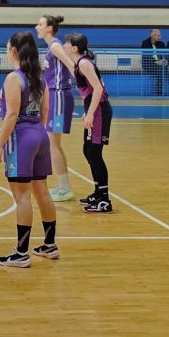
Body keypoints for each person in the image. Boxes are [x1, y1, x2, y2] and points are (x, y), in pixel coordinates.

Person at [0, 31, 58, 268]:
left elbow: (11, 114)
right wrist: (36, 131)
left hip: (21, 137)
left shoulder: (14, 78)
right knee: (43, 192)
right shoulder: (40, 78)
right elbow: (46, 110)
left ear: (13, 51)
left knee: (22, 196)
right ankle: (49, 245)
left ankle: (21, 253)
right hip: (39, 134)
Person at [63, 33, 114, 213]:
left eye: (67, 43)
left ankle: (104, 200)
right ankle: (98, 192)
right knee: (88, 150)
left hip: (100, 111)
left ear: (74, 48)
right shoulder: (79, 64)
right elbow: (89, 92)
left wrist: (91, 113)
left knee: (94, 153)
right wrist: (87, 111)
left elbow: (98, 89)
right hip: (94, 109)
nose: (64, 45)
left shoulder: (84, 63)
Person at [35, 14, 74, 202]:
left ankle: (65, 188)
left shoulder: (55, 46)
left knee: (53, 144)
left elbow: (72, 66)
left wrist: (85, 89)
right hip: (53, 96)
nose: (37, 27)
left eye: (40, 24)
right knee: (53, 144)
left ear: (49, 28)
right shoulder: (51, 47)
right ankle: (63, 186)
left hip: (59, 96)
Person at [140, 28, 168, 96]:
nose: (160, 37)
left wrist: (163, 60)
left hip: (160, 64)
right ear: (153, 36)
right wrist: (156, 62)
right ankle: (159, 94)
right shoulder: (145, 43)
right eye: (158, 35)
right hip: (149, 64)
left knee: (165, 68)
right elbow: (145, 57)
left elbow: (165, 55)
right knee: (159, 71)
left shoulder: (161, 44)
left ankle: (159, 93)